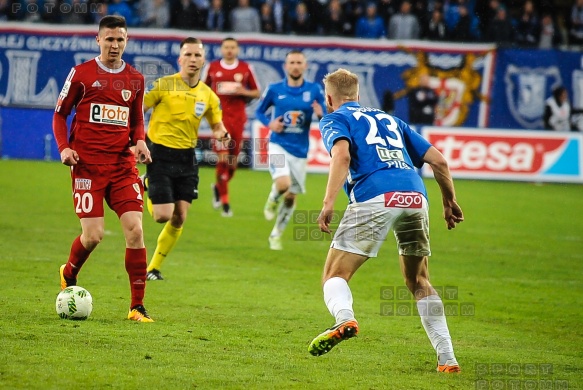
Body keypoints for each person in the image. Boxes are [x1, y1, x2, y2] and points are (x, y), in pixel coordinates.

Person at [307, 68, 463, 374]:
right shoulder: (392, 119)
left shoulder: (335, 118)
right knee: (418, 281)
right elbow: (439, 161)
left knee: (334, 275)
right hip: (416, 197)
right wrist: (448, 201)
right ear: (358, 95)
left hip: (375, 196)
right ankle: (448, 359)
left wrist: (328, 203)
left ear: (329, 99)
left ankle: (344, 319)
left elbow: (341, 157)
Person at [53, 15, 154, 322]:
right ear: (98, 40)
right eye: (109, 39)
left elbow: (136, 120)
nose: (114, 45)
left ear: (127, 41)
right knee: (94, 236)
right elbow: (59, 116)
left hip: (122, 167)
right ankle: (69, 272)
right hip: (86, 167)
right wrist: (64, 148)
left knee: (136, 230)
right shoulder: (81, 74)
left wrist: (140, 142)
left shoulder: (135, 79)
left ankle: (136, 307)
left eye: (120, 39)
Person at [143, 37, 230, 280]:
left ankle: (153, 268)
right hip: (159, 153)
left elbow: (216, 124)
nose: (193, 59)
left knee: (179, 216)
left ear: (203, 61)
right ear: (180, 59)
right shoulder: (163, 85)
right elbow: (139, 108)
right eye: (188, 55)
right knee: (162, 215)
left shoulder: (208, 95)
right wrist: (135, 137)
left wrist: (222, 134)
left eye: (197, 55)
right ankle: (147, 182)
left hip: (187, 158)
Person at [255, 50, 325, 251]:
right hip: (277, 144)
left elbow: (326, 115)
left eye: (299, 62)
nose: (295, 66)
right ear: (286, 66)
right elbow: (260, 111)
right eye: (291, 62)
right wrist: (270, 124)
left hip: (300, 150)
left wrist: (321, 115)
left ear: (305, 66)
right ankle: (271, 200)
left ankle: (276, 234)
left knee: (291, 196)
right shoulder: (275, 89)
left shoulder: (314, 90)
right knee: (283, 184)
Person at [204, 37, 260, 217]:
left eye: (232, 47)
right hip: (219, 121)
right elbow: (201, 90)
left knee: (232, 164)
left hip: (238, 120)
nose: (229, 50)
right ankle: (225, 203)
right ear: (221, 49)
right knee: (223, 160)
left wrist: (243, 91)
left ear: (237, 50)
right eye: (226, 47)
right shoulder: (212, 68)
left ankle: (218, 187)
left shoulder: (245, 68)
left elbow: (257, 92)